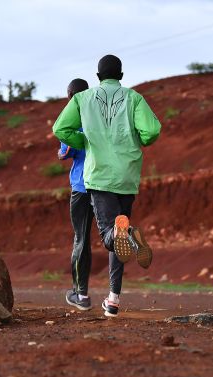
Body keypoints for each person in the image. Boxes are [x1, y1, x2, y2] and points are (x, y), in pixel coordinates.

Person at [53, 54, 161, 317]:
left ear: (98, 77)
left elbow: (61, 129)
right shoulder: (134, 98)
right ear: (121, 76)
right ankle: (113, 301)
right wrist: (135, 141)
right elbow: (152, 131)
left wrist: (87, 143)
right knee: (118, 235)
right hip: (127, 176)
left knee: (111, 236)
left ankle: (126, 236)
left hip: (99, 177)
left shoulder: (82, 99)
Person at [57, 78, 94, 311]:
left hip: (81, 187)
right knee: (110, 236)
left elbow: (66, 152)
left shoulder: (72, 120)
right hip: (104, 184)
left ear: (70, 95)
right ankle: (114, 296)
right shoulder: (98, 118)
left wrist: (62, 152)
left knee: (81, 239)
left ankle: (81, 295)